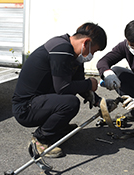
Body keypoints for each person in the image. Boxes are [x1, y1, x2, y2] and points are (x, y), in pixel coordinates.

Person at [12, 22, 107, 158]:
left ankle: (57, 128)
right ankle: (40, 140)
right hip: (25, 108)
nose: (91, 55)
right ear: (86, 42)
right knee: (70, 102)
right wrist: (89, 83)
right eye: (93, 51)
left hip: (39, 101)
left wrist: (99, 101)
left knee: (70, 96)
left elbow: (78, 82)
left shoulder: (73, 54)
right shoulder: (61, 48)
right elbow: (63, 88)